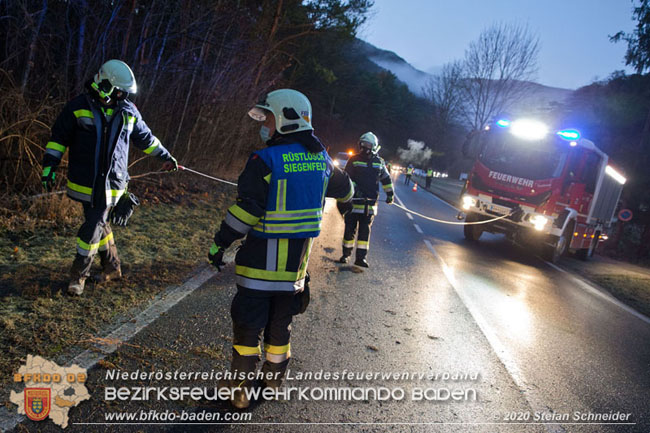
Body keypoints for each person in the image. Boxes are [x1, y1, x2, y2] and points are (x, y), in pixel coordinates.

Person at [207, 89, 353, 409]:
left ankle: (239, 389)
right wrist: (349, 204)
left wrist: (220, 243)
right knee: (280, 327)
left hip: (259, 267)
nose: (264, 126)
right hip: (294, 274)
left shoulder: (265, 159)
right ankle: (272, 382)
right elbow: (346, 189)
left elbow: (247, 212)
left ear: (286, 119)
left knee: (248, 325)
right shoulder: (321, 159)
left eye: (268, 118)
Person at [41, 59, 177, 296]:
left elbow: (146, 139)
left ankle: (78, 275)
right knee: (99, 222)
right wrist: (49, 166)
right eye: (121, 91)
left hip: (113, 184)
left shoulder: (128, 112)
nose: (124, 97)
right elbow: (58, 138)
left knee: (93, 225)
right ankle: (112, 267)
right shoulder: (77, 107)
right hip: (86, 183)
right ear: (105, 85)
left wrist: (164, 156)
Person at [338, 132, 393, 268]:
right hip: (353, 202)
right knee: (349, 230)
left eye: (368, 145)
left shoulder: (379, 162)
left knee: (364, 233)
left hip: (369, 205)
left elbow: (386, 179)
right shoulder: (354, 159)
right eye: (363, 144)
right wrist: (355, 189)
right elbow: (347, 178)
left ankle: (361, 259)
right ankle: (346, 255)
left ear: (374, 146)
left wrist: (390, 194)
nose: (365, 147)